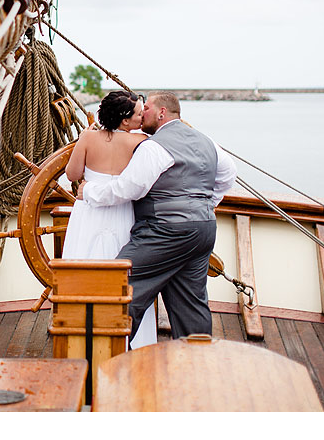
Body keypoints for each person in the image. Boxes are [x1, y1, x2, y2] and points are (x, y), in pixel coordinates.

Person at [76, 91, 237, 345]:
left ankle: (105, 357)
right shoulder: (206, 141)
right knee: (191, 303)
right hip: (204, 230)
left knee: (117, 286)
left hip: (164, 232)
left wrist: (89, 191)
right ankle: (198, 365)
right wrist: (204, 206)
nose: (141, 115)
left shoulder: (154, 147)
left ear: (162, 113)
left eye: (146, 109)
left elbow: (128, 188)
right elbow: (228, 174)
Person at [62, 90, 156, 349]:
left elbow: (72, 174)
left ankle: (82, 334)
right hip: (123, 212)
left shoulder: (87, 137)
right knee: (124, 271)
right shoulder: (139, 142)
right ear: (125, 120)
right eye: (138, 113)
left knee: (85, 262)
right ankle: (128, 338)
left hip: (89, 210)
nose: (142, 117)